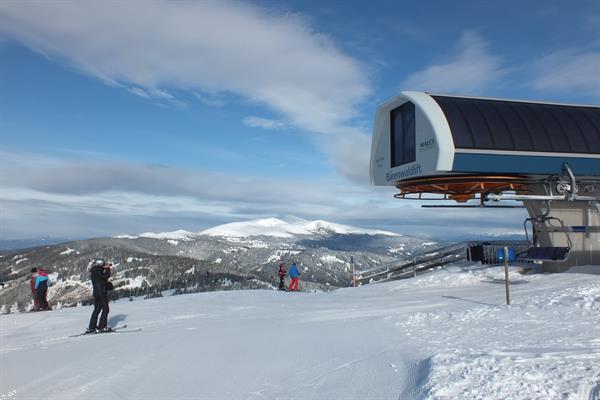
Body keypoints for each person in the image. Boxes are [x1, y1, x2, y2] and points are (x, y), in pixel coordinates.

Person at [87, 258, 113, 333]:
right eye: (103, 264)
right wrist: (108, 269)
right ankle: (102, 327)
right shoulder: (97, 270)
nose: (104, 265)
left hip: (96, 293)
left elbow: (101, 280)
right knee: (106, 309)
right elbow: (105, 276)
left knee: (97, 310)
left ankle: (92, 327)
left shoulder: (94, 270)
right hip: (101, 292)